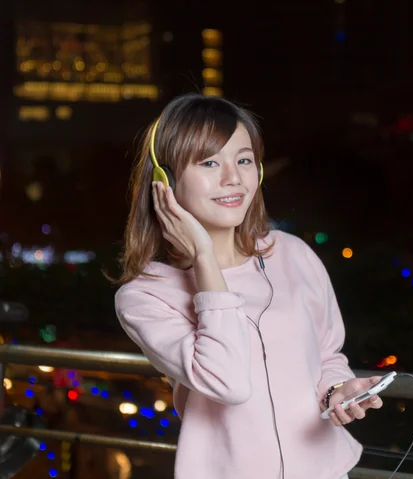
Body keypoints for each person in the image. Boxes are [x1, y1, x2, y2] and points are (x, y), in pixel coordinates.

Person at [113, 93, 384, 479]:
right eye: (209, 162)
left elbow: (325, 355)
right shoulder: (145, 297)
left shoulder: (292, 254)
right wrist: (204, 258)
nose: (233, 178)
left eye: (243, 160)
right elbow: (228, 383)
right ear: (165, 181)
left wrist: (335, 391)